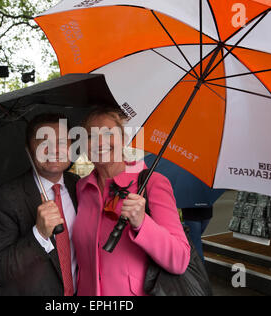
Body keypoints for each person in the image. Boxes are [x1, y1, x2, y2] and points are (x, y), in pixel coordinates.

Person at [72, 107, 191, 296]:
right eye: (90, 136)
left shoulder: (152, 183)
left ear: (124, 139)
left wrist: (143, 223)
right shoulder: (81, 189)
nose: (100, 142)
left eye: (109, 133)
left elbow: (180, 259)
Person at [0, 114, 80, 296]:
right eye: (43, 142)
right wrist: (39, 235)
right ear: (29, 150)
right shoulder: (4, 197)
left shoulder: (79, 186)